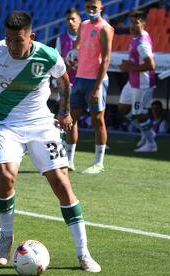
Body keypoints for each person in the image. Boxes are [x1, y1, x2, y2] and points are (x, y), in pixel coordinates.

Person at [0, 11, 101, 273]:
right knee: (6, 177)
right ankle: (6, 238)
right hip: (6, 125)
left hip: (41, 123)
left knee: (62, 184)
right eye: (8, 39)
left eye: (18, 41)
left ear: (31, 37)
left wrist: (64, 111)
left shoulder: (48, 55)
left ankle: (83, 252)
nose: (12, 46)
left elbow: (64, 81)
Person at [65, 0, 114, 174]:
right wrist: (72, 55)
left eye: (94, 7)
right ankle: (69, 161)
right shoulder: (84, 25)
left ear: (101, 8)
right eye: (88, 7)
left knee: (97, 120)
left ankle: (98, 163)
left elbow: (106, 59)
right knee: (70, 119)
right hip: (79, 78)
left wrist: (98, 87)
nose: (91, 10)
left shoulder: (106, 28)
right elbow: (77, 45)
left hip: (95, 81)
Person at [118, 11, 157, 152]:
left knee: (139, 113)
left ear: (143, 24)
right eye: (131, 22)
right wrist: (129, 63)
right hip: (133, 81)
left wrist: (130, 67)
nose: (132, 26)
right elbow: (138, 60)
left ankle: (151, 144)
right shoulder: (136, 37)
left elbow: (151, 65)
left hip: (142, 84)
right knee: (123, 108)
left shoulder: (142, 43)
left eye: (136, 23)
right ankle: (147, 132)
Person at [55, 8, 81, 170]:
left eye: (73, 19)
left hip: (80, 82)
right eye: (68, 20)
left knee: (71, 118)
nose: (70, 22)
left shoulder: (86, 37)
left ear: (79, 20)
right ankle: (67, 158)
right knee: (67, 118)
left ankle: (69, 159)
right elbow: (56, 61)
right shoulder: (62, 38)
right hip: (65, 83)